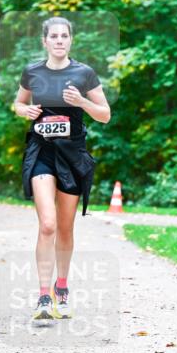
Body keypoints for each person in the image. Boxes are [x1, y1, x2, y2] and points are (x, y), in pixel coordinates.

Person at [13, 17, 110, 322]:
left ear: (70, 40)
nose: (58, 40)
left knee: (66, 228)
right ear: (44, 41)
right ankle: (44, 296)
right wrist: (25, 110)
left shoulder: (84, 73)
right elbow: (18, 104)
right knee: (48, 225)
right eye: (53, 36)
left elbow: (105, 114)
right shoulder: (33, 72)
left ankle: (62, 288)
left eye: (63, 36)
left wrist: (81, 102)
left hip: (72, 155)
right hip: (42, 152)